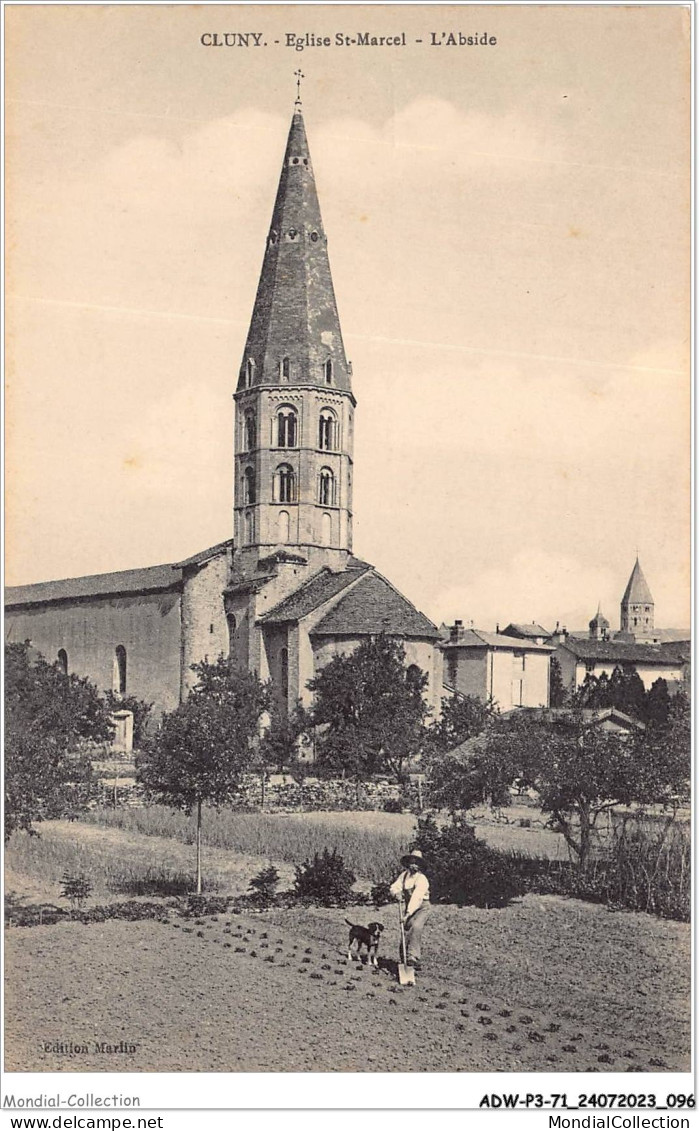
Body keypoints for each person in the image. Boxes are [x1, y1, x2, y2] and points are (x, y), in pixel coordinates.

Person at [390, 849, 430, 970]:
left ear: (420, 866)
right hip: (409, 907)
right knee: (406, 929)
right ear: (408, 863)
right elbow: (394, 886)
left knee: (416, 927)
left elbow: (417, 898)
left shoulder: (422, 879)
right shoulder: (404, 875)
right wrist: (396, 893)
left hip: (422, 907)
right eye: (412, 862)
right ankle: (404, 959)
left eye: (417, 863)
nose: (414, 865)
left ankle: (413, 957)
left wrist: (407, 914)